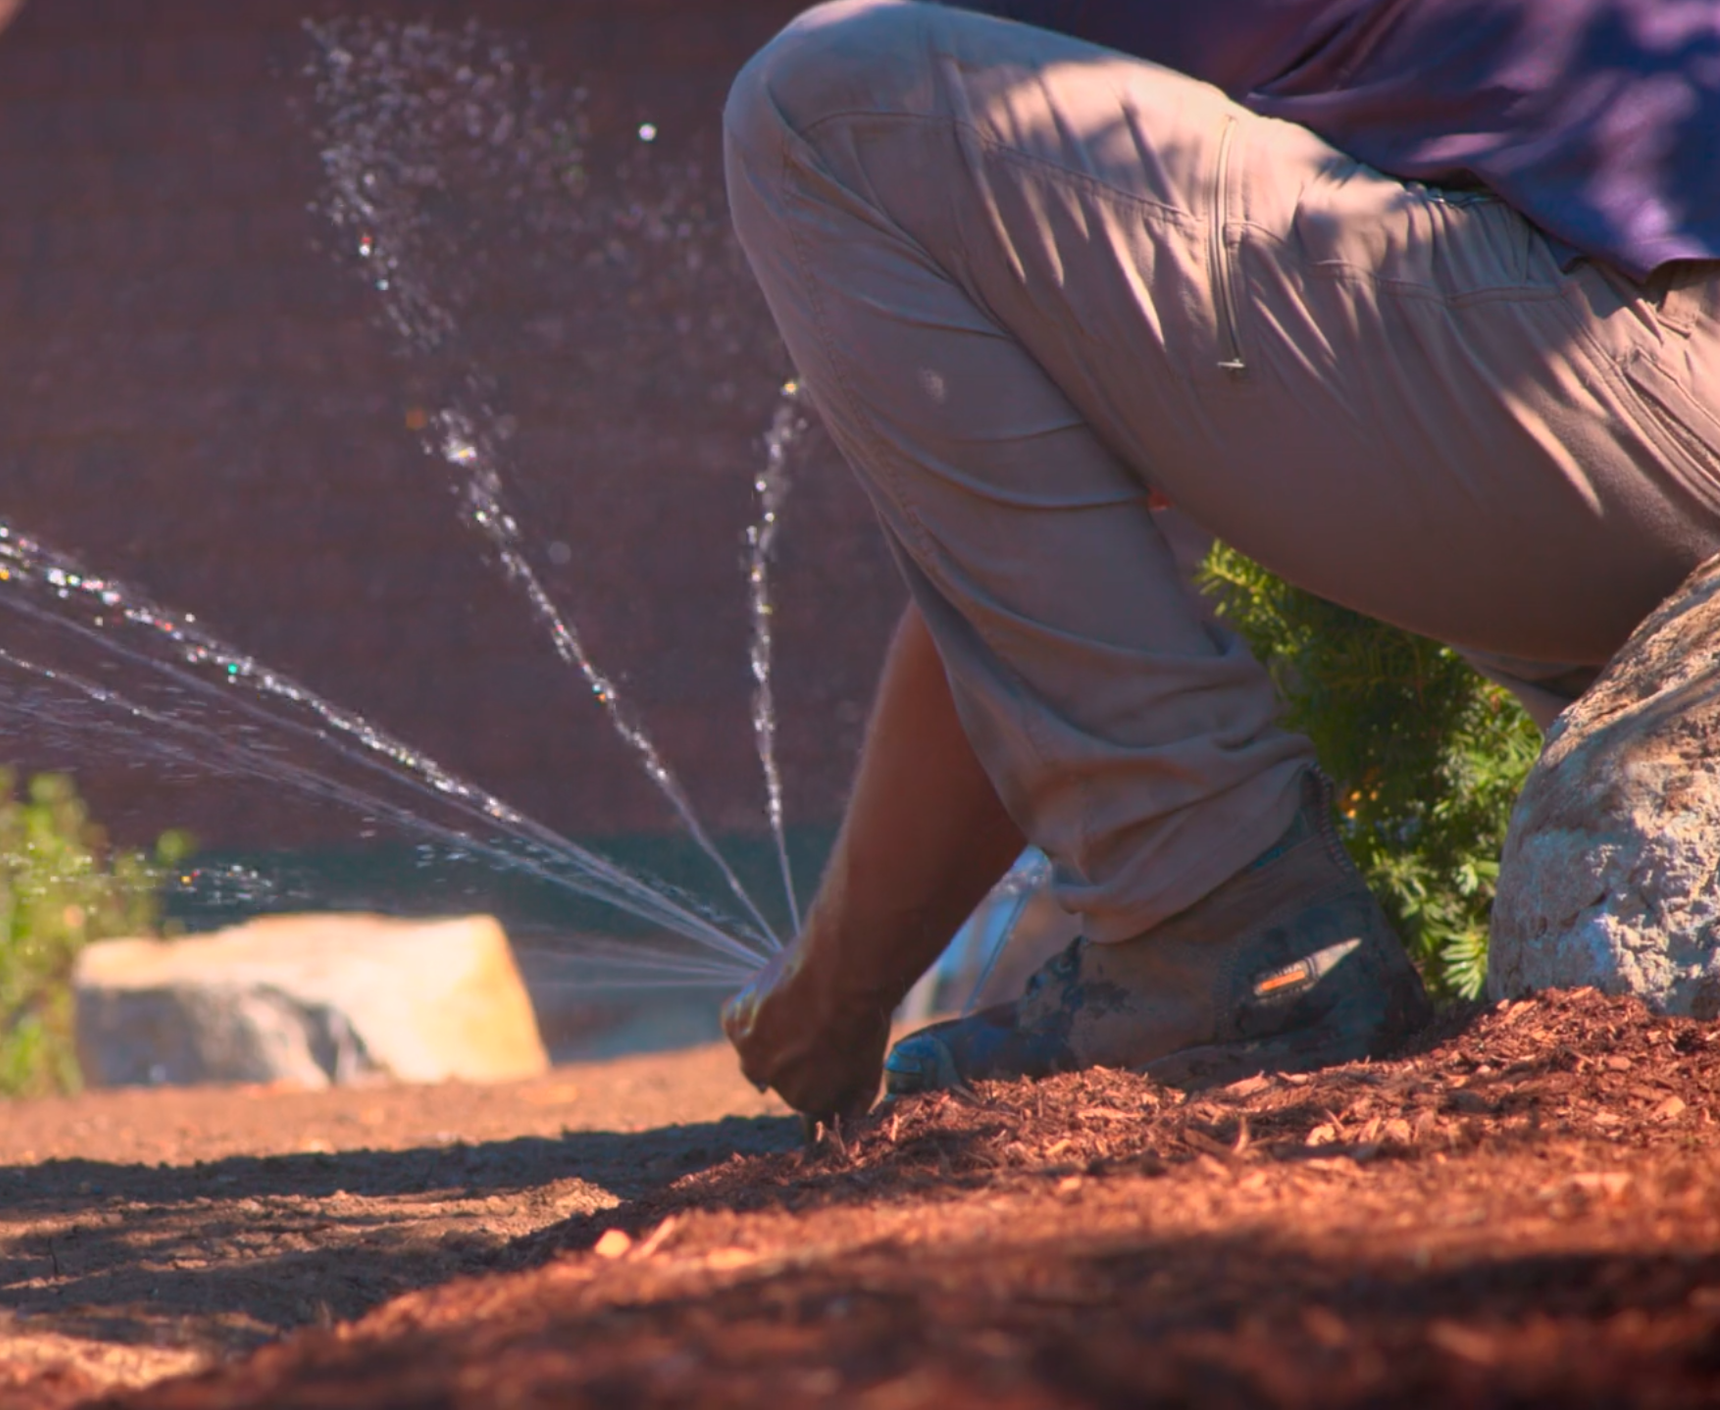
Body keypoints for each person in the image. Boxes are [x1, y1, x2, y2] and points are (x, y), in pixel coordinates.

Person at [718, 0, 1720, 1126]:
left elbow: (1033, 573)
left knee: (828, 104)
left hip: (1655, 373)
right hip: (1650, 371)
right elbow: (1065, 558)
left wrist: (831, 996)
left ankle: (1216, 938)